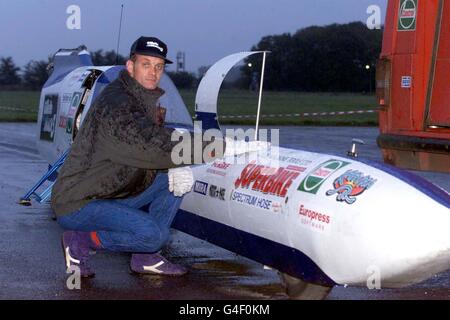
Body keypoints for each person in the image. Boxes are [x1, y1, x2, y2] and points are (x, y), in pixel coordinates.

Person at [51, 36, 200, 278]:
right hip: (78, 203)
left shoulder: (140, 97)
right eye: (146, 64)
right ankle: (80, 242)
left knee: (169, 183)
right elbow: (147, 146)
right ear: (130, 67)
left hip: (106, 193)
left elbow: (155, 140)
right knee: (154, 235)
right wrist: (221, 147)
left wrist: (175, 163)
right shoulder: (117, 102)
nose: (153, 72)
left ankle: (146, 258)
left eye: (158, 66)